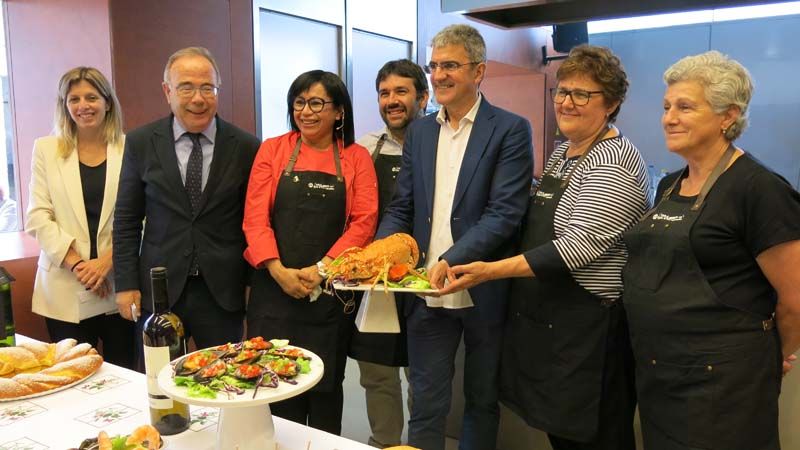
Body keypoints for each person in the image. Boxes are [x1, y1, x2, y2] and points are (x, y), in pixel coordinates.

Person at [438, 44, 649, 450]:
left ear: (611, 104)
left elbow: (575, 247)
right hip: (553, 324)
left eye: (582, 94)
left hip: (591, 330)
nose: (566, 103)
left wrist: (487, 270)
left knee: (595, 438)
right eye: (562, 91)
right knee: (563, 438)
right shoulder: (564, 152)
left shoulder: (614, 161)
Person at [622, 51, 800, 450]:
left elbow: (796, 299)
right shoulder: (669, 184)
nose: (669, 118)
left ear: (728, 116)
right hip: (662, 375)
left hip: (725, 388)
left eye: (685, 107)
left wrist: (770, 357)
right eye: (666, 107)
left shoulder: (759, 189)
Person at [376, 24, 533, 450]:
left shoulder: (510, 130)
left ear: (478, 71)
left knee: (481, 400)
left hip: (482, 288)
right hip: (425, 293)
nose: (439, 75)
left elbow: (504, 213)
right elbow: (402, 206)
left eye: (450, 65)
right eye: (434, 66)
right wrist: (379, 252)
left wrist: (450, 259)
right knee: (425, 402)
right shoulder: (421, 132)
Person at [243, 70, 378, 435]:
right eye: (299, 102)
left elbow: (363, 222)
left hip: (329, 295)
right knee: (273, 388)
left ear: (339, 111)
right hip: (274, 292)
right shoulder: (273, 149)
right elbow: (254, 218)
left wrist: (323, 268)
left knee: (325, 392)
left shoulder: (356, 157)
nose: (306, 111)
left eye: (317, 103)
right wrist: (277, 270)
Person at [113, 47, 260, 354]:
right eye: (186, 87)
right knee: (160, 377)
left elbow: (254, 223)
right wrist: (126, 285)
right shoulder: (141, 142)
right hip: (160, 291)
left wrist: (252, 285)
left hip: (223, 292)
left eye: (208, 88)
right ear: (167, 91)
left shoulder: (246, 146)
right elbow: (126, 220)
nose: (198, 98)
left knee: (225, 377)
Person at [26, 67, 135, 368]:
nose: (83, 105)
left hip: (118, 284)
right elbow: (38, 216)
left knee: (125, 374)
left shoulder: (131, 148)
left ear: (107, 102)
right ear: (65, 105)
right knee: (72, 375)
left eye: (91, 97)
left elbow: (144, 216)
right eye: (74, 99)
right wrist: (79, 265)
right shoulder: (46, 149)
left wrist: (106, 262)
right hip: (64, 286)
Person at [349, 59, 429, 448]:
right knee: (376, 372)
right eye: (384, 93)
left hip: (425, 275)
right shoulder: (365, 148)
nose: (392, 100)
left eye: (401, 91)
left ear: (423, 98)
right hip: (375, 278)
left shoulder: (439, 144)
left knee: (422, 374)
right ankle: (385, 443)